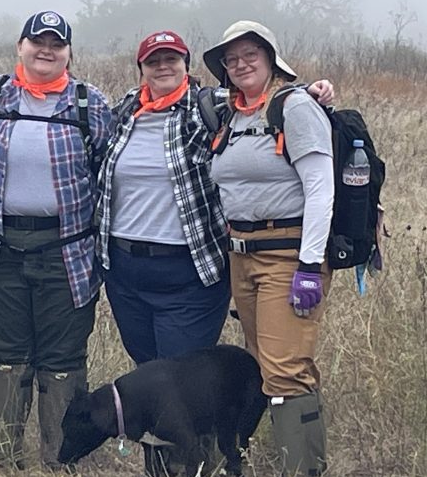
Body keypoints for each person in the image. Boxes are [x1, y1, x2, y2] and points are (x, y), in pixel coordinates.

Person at [96, 30, 335, 366]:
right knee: (146, 372)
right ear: (141, 68)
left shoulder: (211, 106)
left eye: (171, 59)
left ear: (186, 65)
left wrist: (307, 92)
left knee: (180, 374)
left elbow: (258, 95)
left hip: (188, 267)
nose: (162, 67)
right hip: (124, 270)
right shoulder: (123, 111)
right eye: (153, 61)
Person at [0, 10, 111, 468]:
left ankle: (62, 462)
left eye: (56, 44)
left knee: (63, 357)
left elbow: (113, 168)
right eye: (37, 42)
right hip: (0, 249)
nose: (45, 50)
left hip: (67, 252)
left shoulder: (90, 104)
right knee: (4, 355)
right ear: (20, 46)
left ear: (68, 52)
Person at [203, 20, 334, 477]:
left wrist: (309, 265)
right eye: (231, 59)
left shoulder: (294, 107)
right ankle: (299, 463)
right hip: (243, 256)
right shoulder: (232, 115)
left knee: (284, 370)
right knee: (269, 364)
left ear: (271, 58)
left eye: (250, 55)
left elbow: (321, 188)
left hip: (287, 257)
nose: (240, 65)